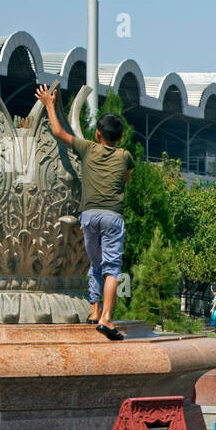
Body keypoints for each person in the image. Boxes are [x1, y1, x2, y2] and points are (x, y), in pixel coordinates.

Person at [35, 85, 134, 341]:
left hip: (88, 215)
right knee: (112, 268)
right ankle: (106, 319)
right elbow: (126, 181)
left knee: (95, 263)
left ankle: (93, 310)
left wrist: (49, 103)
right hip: (112, 216)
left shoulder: (88, 148)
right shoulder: (125, 156)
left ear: (98, 133)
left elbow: (57, 131)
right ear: (119, 137)